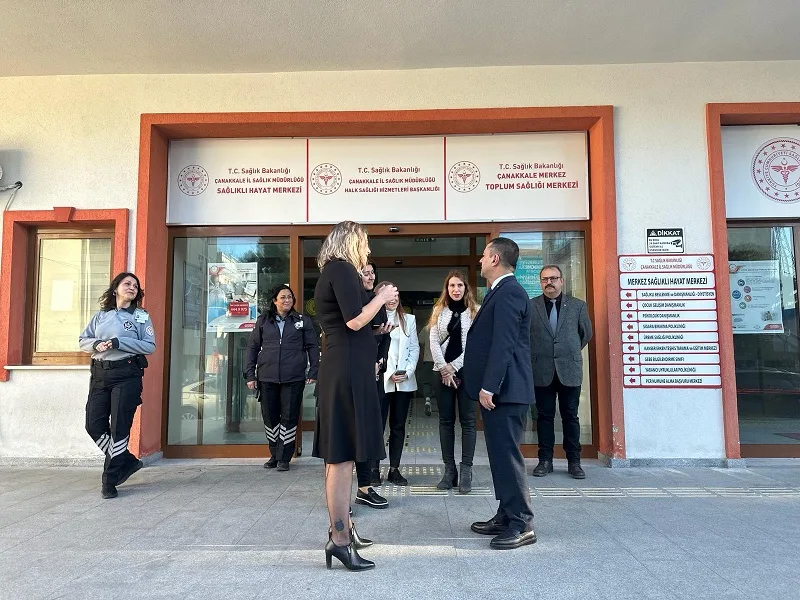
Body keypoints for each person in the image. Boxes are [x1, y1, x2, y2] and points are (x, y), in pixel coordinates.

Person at [313, 221, 398, 571]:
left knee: (341, 456)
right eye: (365, 243)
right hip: (346, 372)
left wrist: (377, 319)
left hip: (346, 367)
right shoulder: (342, 269)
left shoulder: (339, 272)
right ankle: (340, 540)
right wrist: (381, 296)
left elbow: (354, 324)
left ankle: (343, 530)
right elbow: (353, 321)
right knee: (342, 457)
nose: (368, 250)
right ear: (351, 242)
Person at [464, 238, 536, 550]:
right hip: (502, 391)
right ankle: (506, 514)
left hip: (505, 391)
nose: (480, 260)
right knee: (498, 455)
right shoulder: (500, 291)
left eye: (483, 256)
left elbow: (504, 344)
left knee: (507, 456)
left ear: (494, 259)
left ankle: (522, 522)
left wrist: (489, 386)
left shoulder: (510, 292)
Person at [79, 272, 156, 499]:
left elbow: (149, 346)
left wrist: (118, 342)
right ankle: (126, 460)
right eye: (127, 283)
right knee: (93, 425)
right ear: (115, 289)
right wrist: (96, 344)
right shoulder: (101, 315)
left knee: (119, 429)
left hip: (127, 374)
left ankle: (109, 480)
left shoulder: (140, 316)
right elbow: (83, 341)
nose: (132, 287)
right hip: (100, 374)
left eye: (135, 286)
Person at [244, 284, 319, 471]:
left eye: (290, 297)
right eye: (283, 297)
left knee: (289, 417)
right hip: (267, 377)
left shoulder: (302, 321)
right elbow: (252, 348)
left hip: (293, 377)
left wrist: (313, 371)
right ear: (274, 301)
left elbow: (312, 346)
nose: (287, 300)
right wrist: (250, 375)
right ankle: (274, 454)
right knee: (270, 418)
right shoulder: (263, 321)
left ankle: (284, 457)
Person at [529, 265, 593, 479]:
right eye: (545, 279)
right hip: (541, 369)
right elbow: (525, 336)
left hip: (569, 369)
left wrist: (567, 351)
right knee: (544, 417)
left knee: (570, 416)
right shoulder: (531, 306)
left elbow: (585, 334)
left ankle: (574, 462)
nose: (549, 282)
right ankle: (545, 460)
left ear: (562, 281)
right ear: (540, 282)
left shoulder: (577, 306)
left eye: (553, 278)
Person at [428, 270, 479, 493]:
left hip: (467, 373)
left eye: (459, 285)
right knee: (446, 421)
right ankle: (449, 471)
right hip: (441, 373)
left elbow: (475, 345)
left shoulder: (475, 311)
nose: (456, 289)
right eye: (452, 286)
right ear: (446, 289)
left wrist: (453, 367)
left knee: (468, 421)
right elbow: (433, 341)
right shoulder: (439, 310)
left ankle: (466, 470)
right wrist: (444, 368)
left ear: (466, 288)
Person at [354, 261, 390, 507]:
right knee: (347, 434)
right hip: (349, 373)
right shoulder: (350, 301)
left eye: (372, 273)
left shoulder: (377, 302)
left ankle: (365, 487)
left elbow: (384, 337)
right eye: (365, 273)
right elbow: (352, 330)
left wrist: (379, 361)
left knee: (367, 432)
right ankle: (338, 498)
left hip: (372, 375)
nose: (369, 276)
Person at [379, 281, 420, 486]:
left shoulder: (409, 319)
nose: (393, 299)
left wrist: (406, 372)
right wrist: (388, 374)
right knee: (377, 426)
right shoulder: (374, 319)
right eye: (389, 295)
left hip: (403, 381)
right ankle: (373, 468)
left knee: (398, 426)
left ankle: (394, 469)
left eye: (396, 295)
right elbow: (373, 349)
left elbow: (414, 348)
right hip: (381, 381)